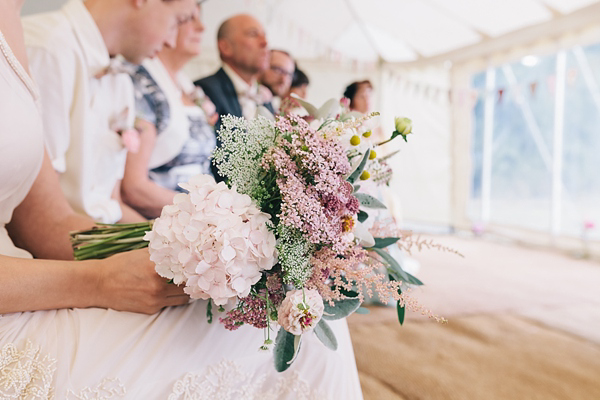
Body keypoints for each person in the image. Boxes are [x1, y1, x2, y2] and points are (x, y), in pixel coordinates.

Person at [1, 3, 363, 398]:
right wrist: (101, 281)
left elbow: (49, 222)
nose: (176, 37)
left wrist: (192, 244)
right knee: (299, 339)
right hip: (22, 301)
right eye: (181, 17)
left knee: (302, 318)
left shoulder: (21, 26)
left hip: (40, 272)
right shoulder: (49, 45)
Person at [22, 0, 196, 224]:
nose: (171, 42)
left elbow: (111, 204)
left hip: (97, 234)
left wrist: (167, 240)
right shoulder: (47, 48)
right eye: (177, 21)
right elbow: (38, 218)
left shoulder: (121, 78)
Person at [122, 4, 217, 218]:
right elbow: (134, 188)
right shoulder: (143, 86)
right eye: (190, 18)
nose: (202, 27)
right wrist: (207, 211)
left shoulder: (188, 88)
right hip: (161, 222)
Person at [194, 14, 273, 126]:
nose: (265, 42)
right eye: (253, 34)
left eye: (264, 35)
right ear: (225, 47)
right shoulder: (206, 91)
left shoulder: (264, 97)